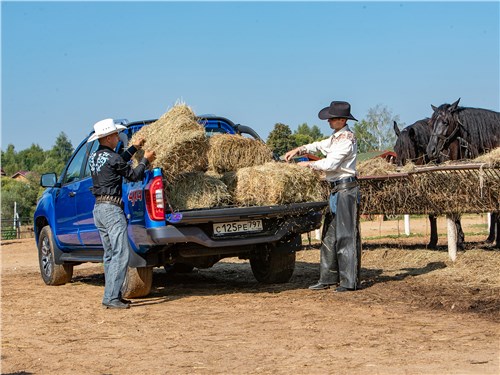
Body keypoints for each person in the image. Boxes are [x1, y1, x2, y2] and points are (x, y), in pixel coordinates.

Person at [285, 101, 361, 292]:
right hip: (336, 189)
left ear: (342, 120)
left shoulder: (346, 139)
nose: (328, 121)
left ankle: (348, 282)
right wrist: (300, 149)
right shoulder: (336, 137)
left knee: (346, 236)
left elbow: (331, 164)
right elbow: (319, 145)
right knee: (330, 235)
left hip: (346, 189)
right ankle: (327, 278)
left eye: (332, 118)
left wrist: (308, 165)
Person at [88, 118, 156, 309]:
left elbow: (118, 163)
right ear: (109, 137)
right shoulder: (113, 158)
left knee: (109, 254)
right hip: (112, 209)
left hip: (99, 209)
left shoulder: (96, 158)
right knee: (121, 253)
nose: (118, 137)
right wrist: (145, 160)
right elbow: (134, 175)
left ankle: (110, 295)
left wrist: (134, 148)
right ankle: (112, 298)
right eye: (116, 134)